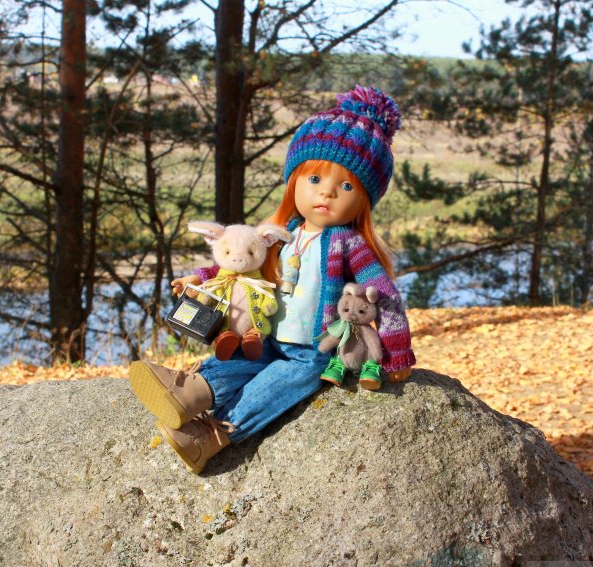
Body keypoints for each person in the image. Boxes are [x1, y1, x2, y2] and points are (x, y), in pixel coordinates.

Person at [129, 85, 416, 474]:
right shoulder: (282, 233)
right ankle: (190, 393)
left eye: (346, 186)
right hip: (265, 335)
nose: (327, 193)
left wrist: (397, 350)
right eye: (314, 178)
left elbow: (384, 295)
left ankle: (211, 435)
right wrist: (202, 277)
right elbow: (240, 263)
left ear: (365, 199)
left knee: (286, 381)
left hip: (313, 348)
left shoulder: (349, 244)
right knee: (238, 361)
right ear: (294, 180)